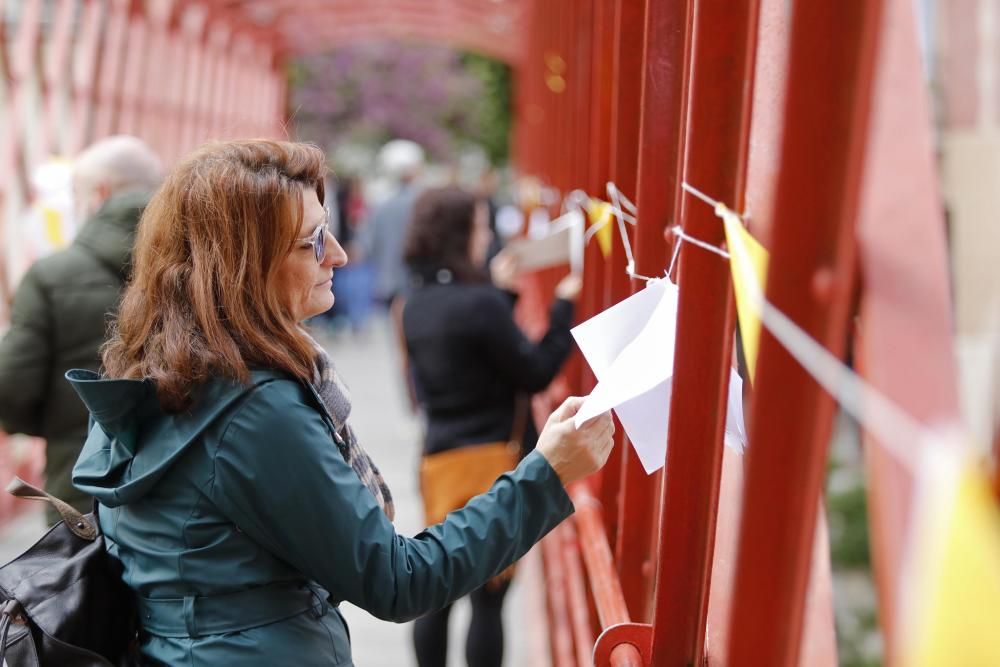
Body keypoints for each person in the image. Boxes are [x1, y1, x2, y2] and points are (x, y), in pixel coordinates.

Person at [66, 140, 614, 666]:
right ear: (240, 265)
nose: (341, 255)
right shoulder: (254, 412)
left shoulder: (145, 376)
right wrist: (546, 474)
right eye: (313, 241)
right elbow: (400, 581)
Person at [400, 186, 582, 667]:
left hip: (440, 459)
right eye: (480, 228)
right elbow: (535, 370)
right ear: (461, 236)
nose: (487, 237)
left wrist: (497, 292)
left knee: (437, 584)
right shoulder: (481, 304)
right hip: (492, 461)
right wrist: (565, 308)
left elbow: (462, 351)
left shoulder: (413, 303)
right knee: (489, 593)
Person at [0, 135, 161, 522]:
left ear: (99, 192)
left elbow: (11, 391)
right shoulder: (202, 265)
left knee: (80, 580)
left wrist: (61, 422)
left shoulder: (52, 276)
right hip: (180, 495)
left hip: (81, 491)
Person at [361, 139, 425, 307]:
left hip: (388, 281)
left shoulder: (380, 205)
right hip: (417, 280)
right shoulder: (423, 202)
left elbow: (369, 244)